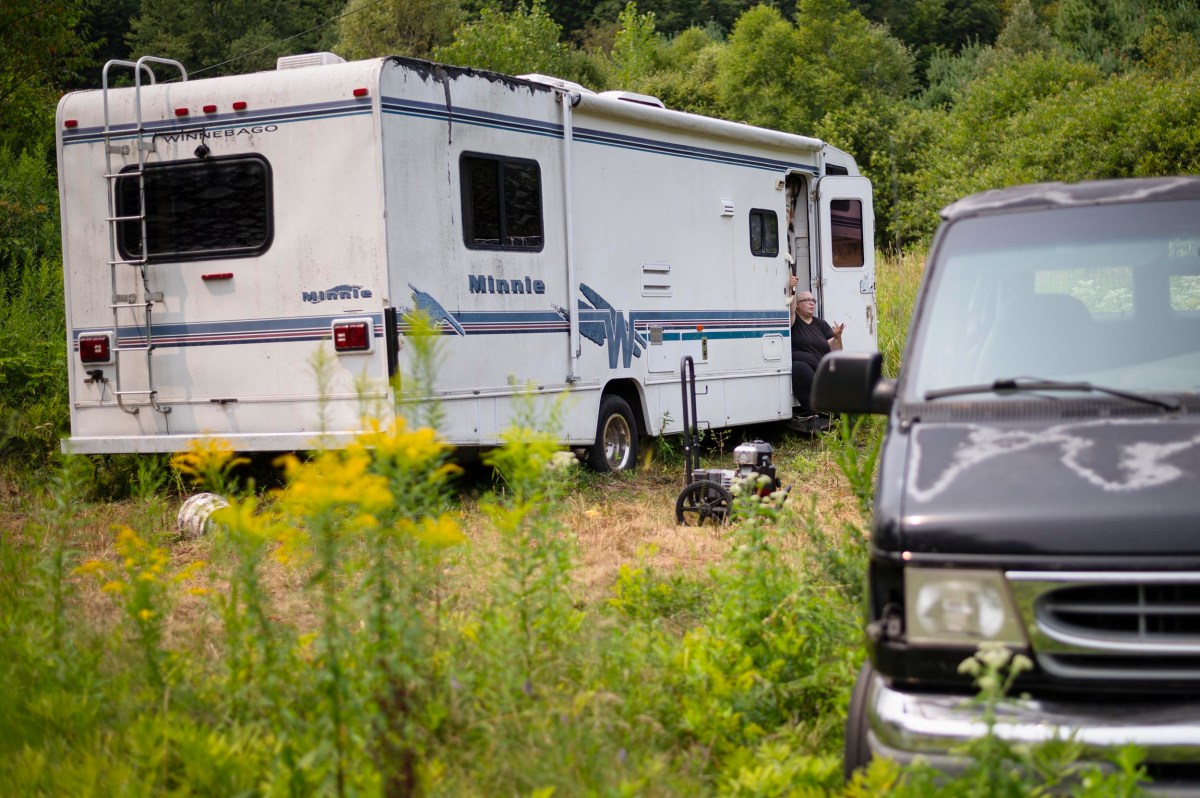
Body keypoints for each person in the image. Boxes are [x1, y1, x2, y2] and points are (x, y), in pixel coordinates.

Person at [788, 276, 844, 418]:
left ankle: (828, 409)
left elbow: (836, 352)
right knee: (800, 367)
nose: (811, 303)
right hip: (806, 367)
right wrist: (792, 289)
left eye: (813, 300)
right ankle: (813, 411)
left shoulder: (821, 324)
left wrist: (837, 337)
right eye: (807, 300)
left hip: (821, 366)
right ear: (798, 305)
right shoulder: (794, 321)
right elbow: (790, 308)